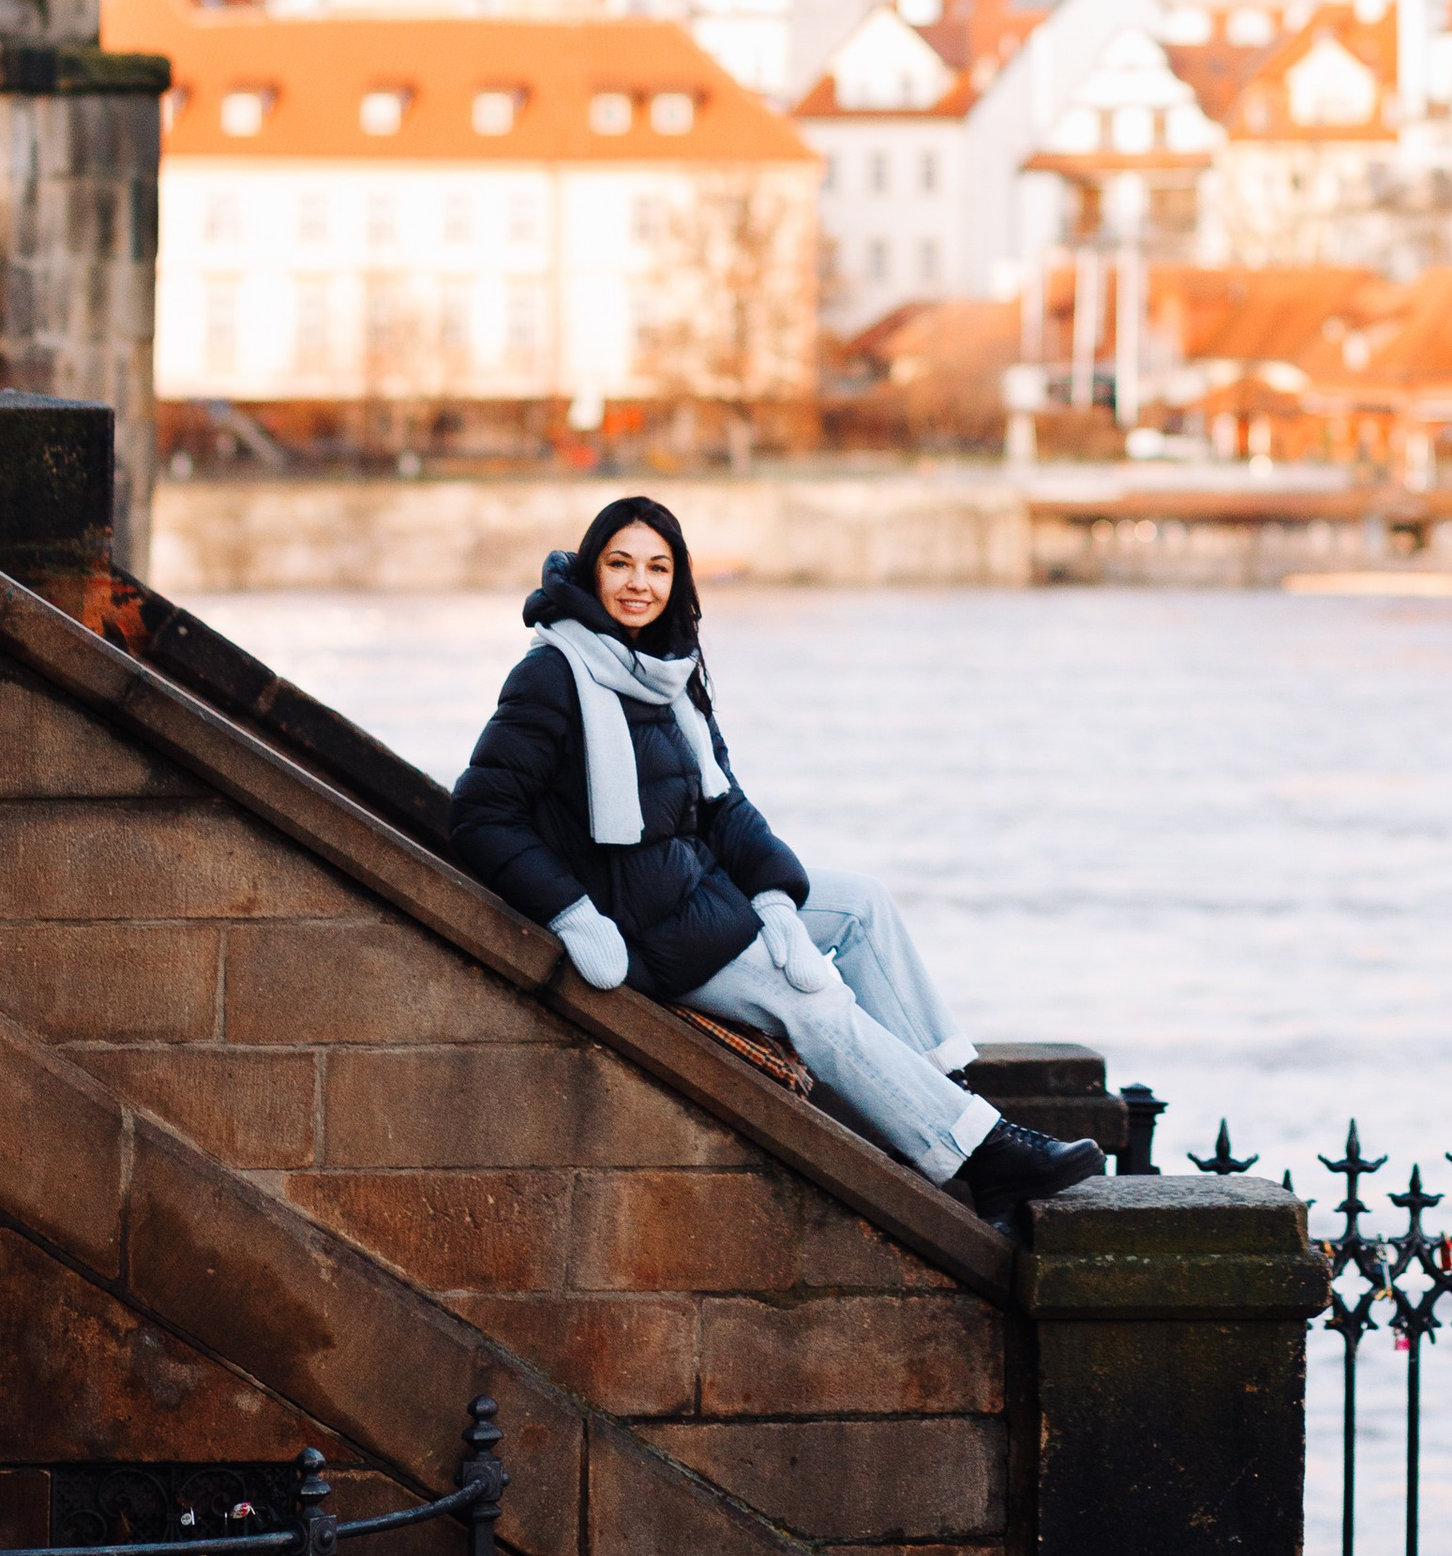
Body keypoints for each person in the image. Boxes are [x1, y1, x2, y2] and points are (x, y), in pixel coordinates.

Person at [449, 495, 1103, 1229]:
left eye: (659, 568)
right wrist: (571, 912)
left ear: (678, 581)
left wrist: (777, 899)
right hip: (645, 928)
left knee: (860, 906)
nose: (640, 583)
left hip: (698, 892)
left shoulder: (667, 670)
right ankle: (982, 1160)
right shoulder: (556, 673)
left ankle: (952, 1102)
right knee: (811, 998)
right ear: (593, 570)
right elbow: (480, 813)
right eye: (621, 564)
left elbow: (726, 808)